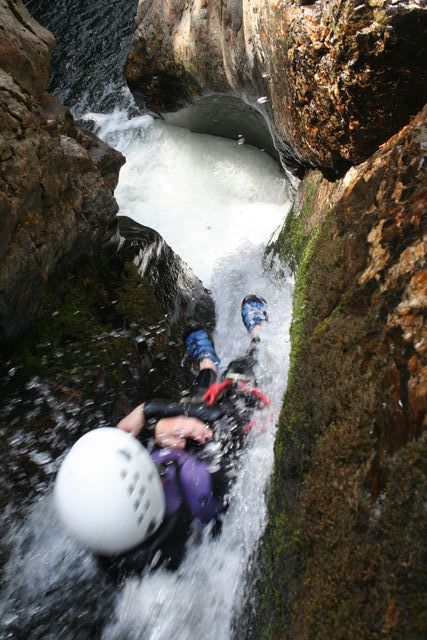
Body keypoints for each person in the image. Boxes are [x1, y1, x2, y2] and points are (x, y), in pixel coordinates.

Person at [54, 296, 269, 578]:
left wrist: (153, 426)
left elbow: (111, 455)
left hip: (180, 480)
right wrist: (152, 411)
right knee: (237, 383)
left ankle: (207, 365)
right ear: (142, 486)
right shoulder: (203, 484)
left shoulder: (110, 541)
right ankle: (258, 334)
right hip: (213, 454)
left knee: (184, 413)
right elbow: (214, 419)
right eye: (148, 465)